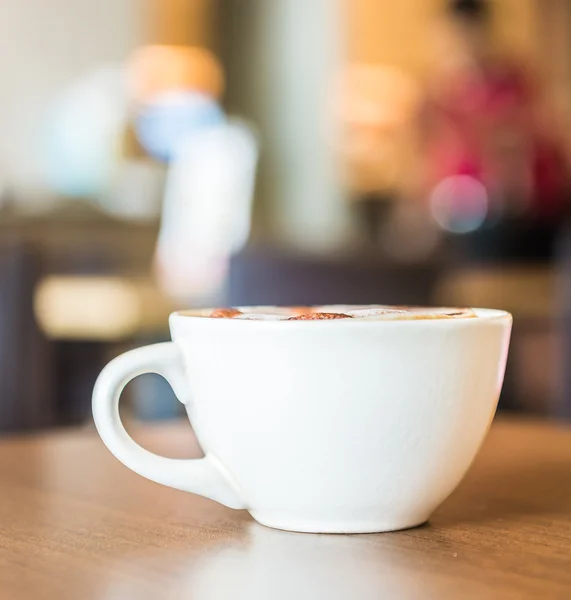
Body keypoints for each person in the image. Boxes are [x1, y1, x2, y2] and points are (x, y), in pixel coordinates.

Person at [421, 0, 570, 260]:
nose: (461, 42)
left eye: (467, 32)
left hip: (520, 215)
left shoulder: (512, 82)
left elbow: (524, 142)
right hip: (464, 214)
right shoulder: (443, 90)